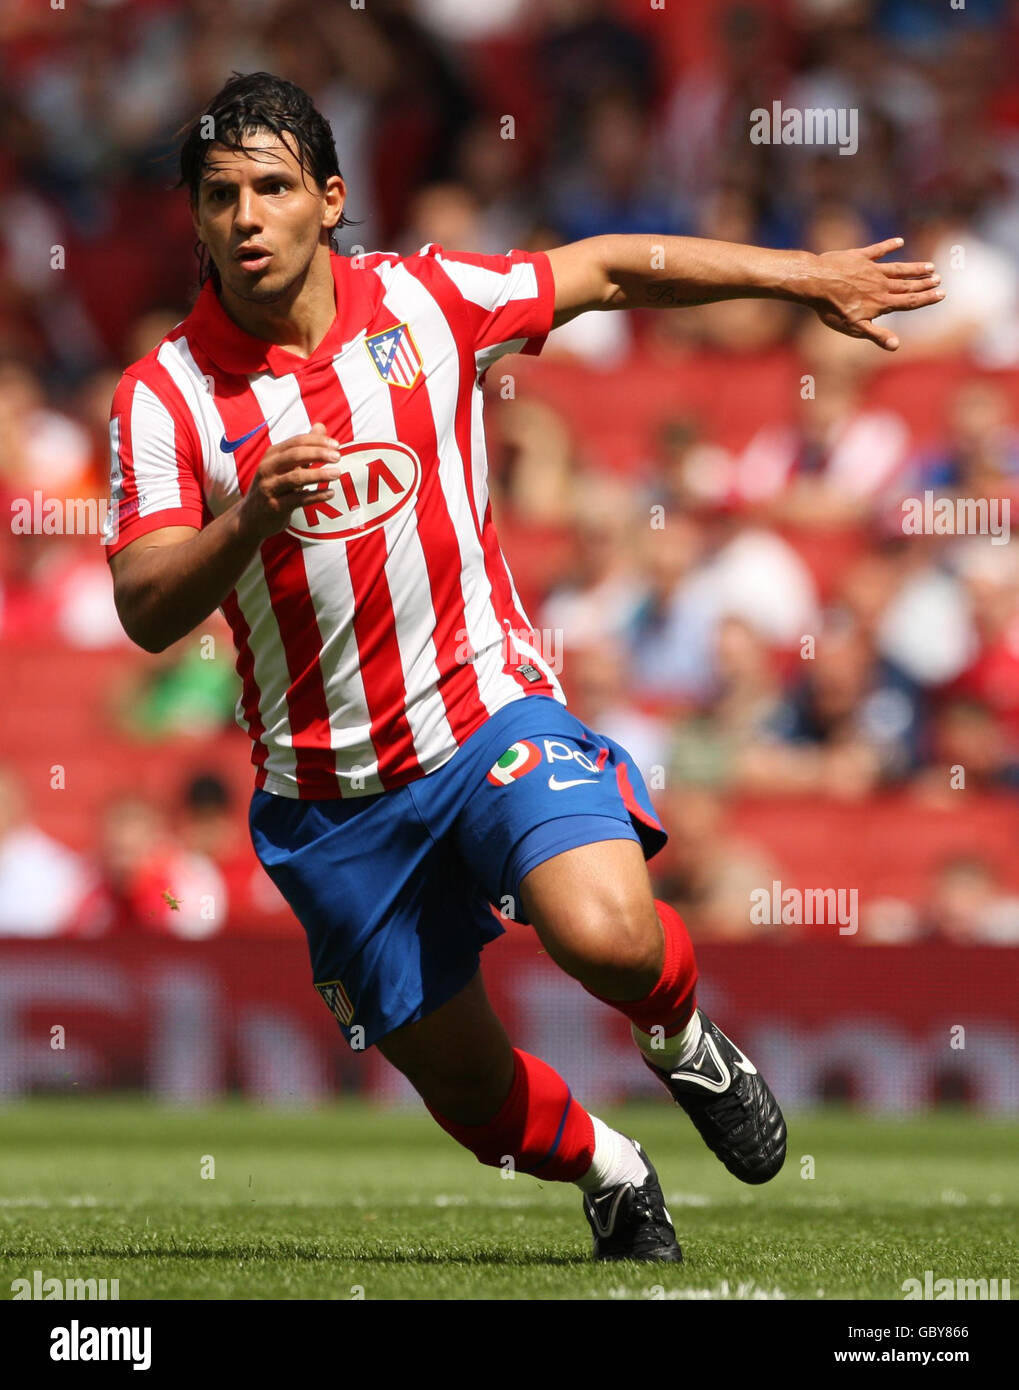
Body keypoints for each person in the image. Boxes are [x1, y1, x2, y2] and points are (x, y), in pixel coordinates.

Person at [103, 72, 942, 1262]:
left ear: (329, 198)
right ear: (192, 216)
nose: (245, 216)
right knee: (476, 1104)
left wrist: (800, 277)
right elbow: (141, 607)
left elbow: (605, 268)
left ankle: (680, 1035)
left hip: (483, 713)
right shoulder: (164, 395)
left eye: (273, 188)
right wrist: (244, 520)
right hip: (327, 796)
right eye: (220, 193)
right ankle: (609, 1166)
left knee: (608, 937)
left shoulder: (428, 299)